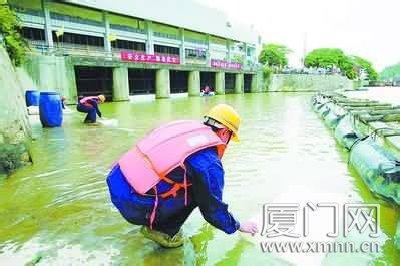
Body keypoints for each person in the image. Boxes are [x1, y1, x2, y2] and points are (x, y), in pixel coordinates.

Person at [106, 104, 258, 248]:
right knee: (200, 190)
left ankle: (154, 218)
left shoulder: (185, 129)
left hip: (117, 184)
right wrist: (237, 225)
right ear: (225, 132)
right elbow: (213, 210)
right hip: (133, 204)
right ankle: (162, 232)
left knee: (187, 180)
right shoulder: (209, 163)